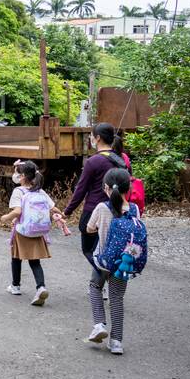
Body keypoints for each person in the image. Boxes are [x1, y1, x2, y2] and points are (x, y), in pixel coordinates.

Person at [84, 167, 136, 355]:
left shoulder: (101, 208)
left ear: (106, 188)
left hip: (103, 261)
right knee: (116, 298)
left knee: (95, 287)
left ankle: (99, 325)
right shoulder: (134, 209)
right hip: (124, 262)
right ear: (128, 189)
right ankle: (116, 342)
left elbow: (89, 229)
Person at [0, 160, 64, 306]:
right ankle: (41, 287)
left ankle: (15, 286)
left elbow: (17, 211)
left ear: (23, 176)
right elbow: (53, 208)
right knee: (35, 261)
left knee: (16, 257)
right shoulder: (40, 191)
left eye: (18, 173)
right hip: (38, 231)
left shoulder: (19, 191)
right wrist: (63, 216)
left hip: (22, 231)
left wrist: (6, 217)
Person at [63, 122, 126, 270]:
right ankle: (101, 284)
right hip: (118, 210)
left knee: (89, 251)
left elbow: (81, 190)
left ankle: (104, 276)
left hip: (94, 212)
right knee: (106, 249)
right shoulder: (121, 161)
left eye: (91, 136)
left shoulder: (94, 161)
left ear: (97, 138)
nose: (91, 138)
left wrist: (67, 211)